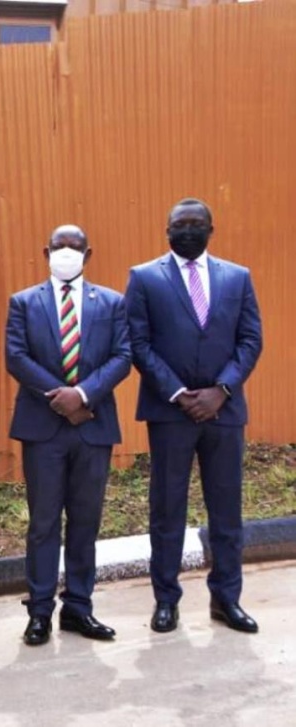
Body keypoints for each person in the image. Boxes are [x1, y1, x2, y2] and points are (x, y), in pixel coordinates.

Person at [126, 198, 263, 634]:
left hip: (224, 411)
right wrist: (180, 393)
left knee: (226, 511)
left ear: (211, 228)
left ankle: (227, 599)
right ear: (166, 230)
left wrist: (221, 390)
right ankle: (166, 600)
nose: (187, 230)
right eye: (179, 225)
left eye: (196, 224)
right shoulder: (145, 278)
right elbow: (139, 343)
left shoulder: (237, 277)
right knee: (167, 510)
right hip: (171, 413)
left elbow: (250, 339)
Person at [5, 225, 131, 646]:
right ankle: (39, 610)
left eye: (74, 247)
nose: (66, 252)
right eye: (59, 246)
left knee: (85, 521)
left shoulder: (112, 302)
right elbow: (17, 357)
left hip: (93, 424)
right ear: (46, 251)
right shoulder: (23, 302)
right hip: (43, 429)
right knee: (43, 523)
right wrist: (58, 398)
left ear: (88, 254)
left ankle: (79, 607)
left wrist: (81, 395)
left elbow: (122, 356)